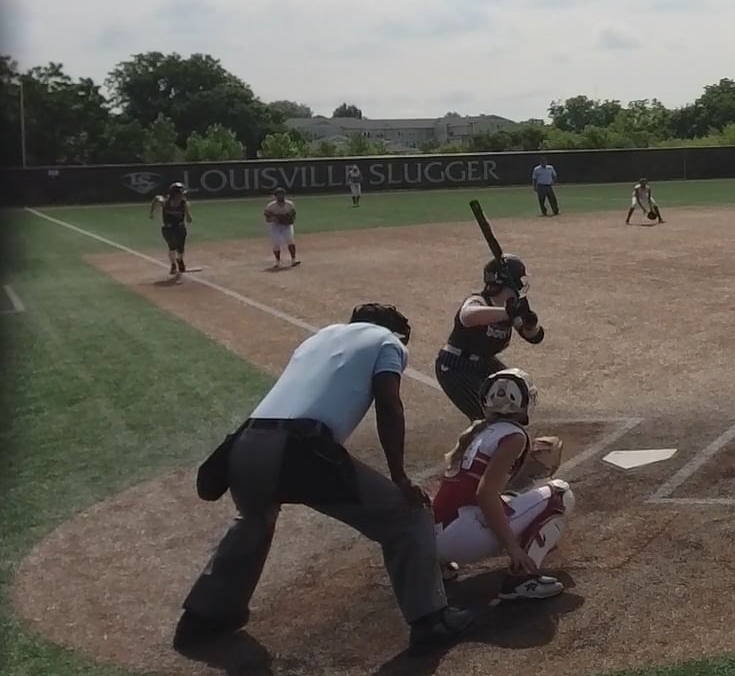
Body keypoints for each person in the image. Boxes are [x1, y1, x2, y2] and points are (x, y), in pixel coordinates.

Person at [172, 303, 474, 657]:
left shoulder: (318, 339)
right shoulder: (387, 342)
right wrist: (399, 477)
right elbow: (389, 403)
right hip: (299, 448)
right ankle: (431, 619)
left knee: (254, 520)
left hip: (245, 443)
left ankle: (203, 616)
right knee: (408, 516)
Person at [432, 368, 575, 602]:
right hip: (463, 537)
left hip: (435, 538)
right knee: (560, 493)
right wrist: (513, 547)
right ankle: (522, 579)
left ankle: (438, 567)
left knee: (510, 500)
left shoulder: (478, 431)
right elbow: (485, 493)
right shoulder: (514, 437)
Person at [437, 255, 549, 422]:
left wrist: (530, 323)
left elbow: (532, 336)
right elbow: (467, 316)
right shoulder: (479, 301)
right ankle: (483, 437)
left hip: (483, 363)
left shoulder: (511, 307)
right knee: (490, 415)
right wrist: (507, 313)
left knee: (518, 392)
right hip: (456, 366)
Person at [150, 181, 192, 280]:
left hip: (180, 227)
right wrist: (151, 212)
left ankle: (179, 260)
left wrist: (188, 215)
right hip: (168, 228)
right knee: (172, 246)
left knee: (181, 248)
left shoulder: (183, 203)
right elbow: (156, 198)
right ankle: (173, 264)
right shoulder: (165, 202)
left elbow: (188, 218)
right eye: (180, 194)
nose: (182, 196)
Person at [263, 187, 299, 268]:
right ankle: (277, 262)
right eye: (278, 195)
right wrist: (276, 219)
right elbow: (267, 219)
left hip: (287, 226)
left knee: (290, 240)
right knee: (276, 243)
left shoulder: (290, 204)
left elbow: (293, 216)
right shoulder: (270, 206)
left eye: (282, 194)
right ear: (275, 196)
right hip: (275, 226)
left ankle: (293, 260)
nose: (280, 196)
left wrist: (288, 220)